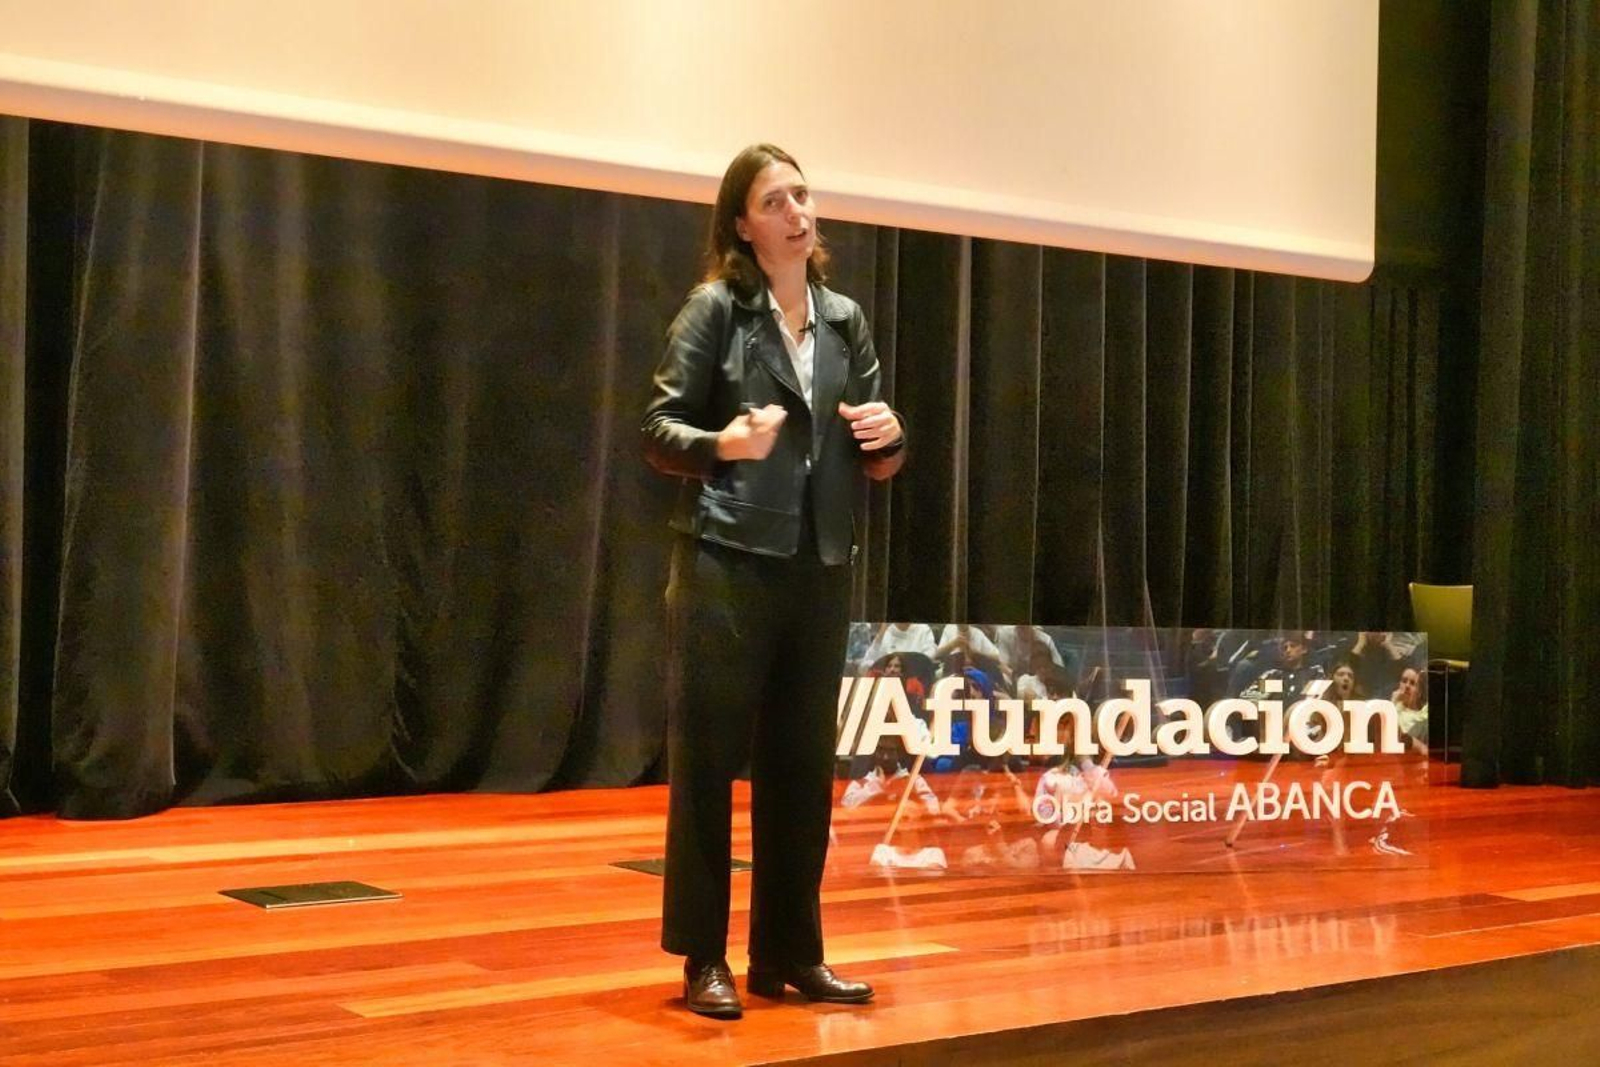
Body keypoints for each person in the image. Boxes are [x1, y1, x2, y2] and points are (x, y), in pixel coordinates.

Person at [642, 144, 905, 1020]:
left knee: (800, 769)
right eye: (774, 199)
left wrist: (891, 433)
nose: (798, 210)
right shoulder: (716, 310)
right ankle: (705, 958)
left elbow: (879, 455)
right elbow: (656, 430)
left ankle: (791, 952)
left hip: (818, 566)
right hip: (725, 564)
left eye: (802, 194)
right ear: (743, 226)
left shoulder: (844, 320)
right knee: (709, 768)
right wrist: (723, 442)